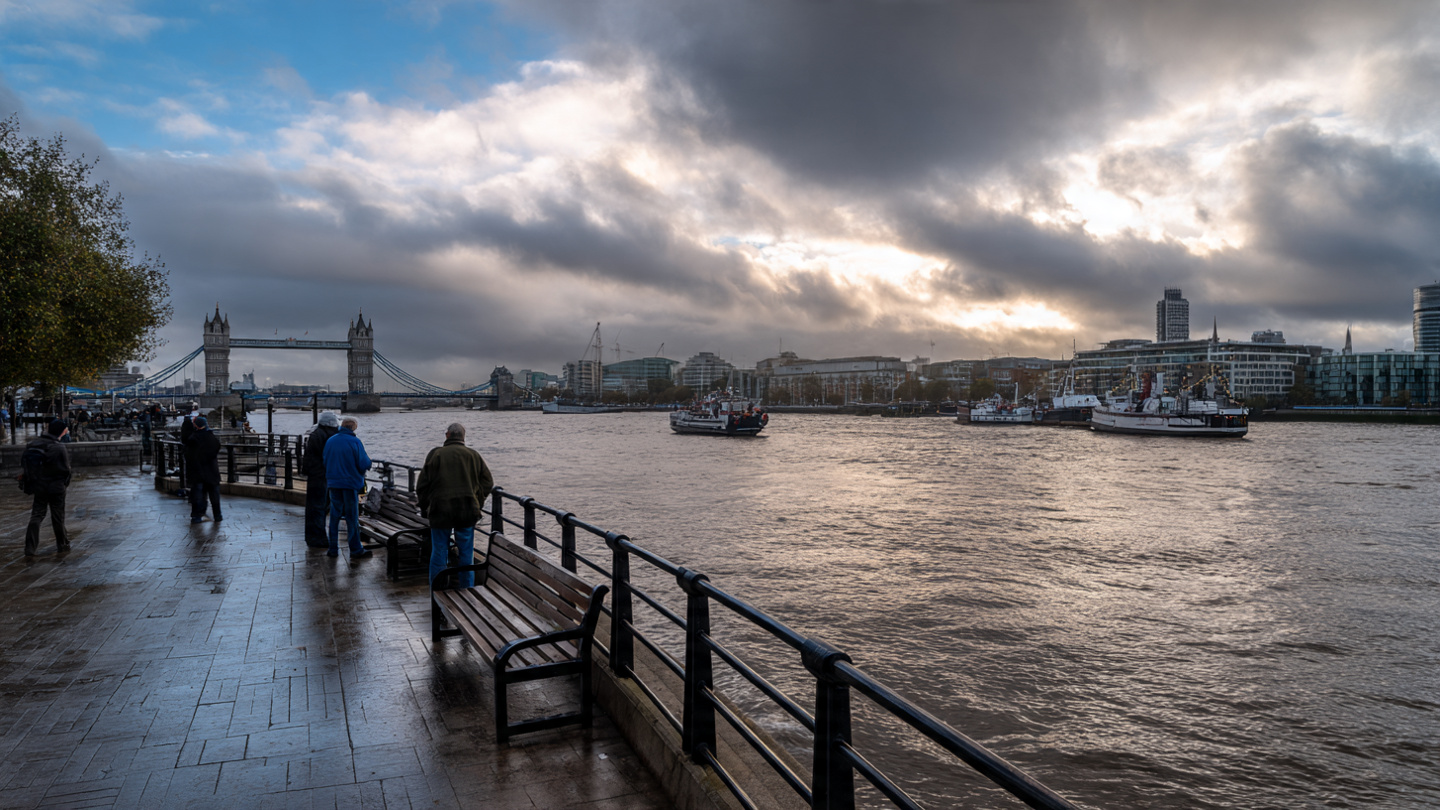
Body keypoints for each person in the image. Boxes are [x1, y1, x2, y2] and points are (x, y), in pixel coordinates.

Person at [416, 422, 494, 588]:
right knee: (466, 552)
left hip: (440, 510)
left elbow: (422, 486)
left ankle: (438, 590)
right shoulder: (473, 455)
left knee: (439, 551)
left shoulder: (435, 454)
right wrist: (477, 501)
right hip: (467, 510)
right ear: (463, 437)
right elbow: (488, 482)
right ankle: (467, 590)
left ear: (447, 435)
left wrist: (426, 507)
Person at [322, 416, 372, 559]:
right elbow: (364, 463)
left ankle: (332, 549)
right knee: (351, 517)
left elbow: (325, 460)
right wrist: (369, 463)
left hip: (333, 483)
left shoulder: (330, 441)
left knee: (334, 516)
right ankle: (356, 549)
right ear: (353, 427)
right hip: (350, 484)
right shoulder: (355, 442)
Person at [24, 419, 72, 556]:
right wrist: (63, 484)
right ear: (62, 431)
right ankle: (62, 544)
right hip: (56, 487)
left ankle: (30, 547)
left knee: (37, 515)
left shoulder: (33, 444)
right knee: (57, 517)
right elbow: (66, 470)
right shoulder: (59, 447)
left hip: (39, 485)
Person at [301, 412, 341, 548]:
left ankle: (314, 537)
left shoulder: (316, 434)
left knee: (315, 507)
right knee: (319, 507)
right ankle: (318, 539)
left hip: (315, 475)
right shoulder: (328, 436)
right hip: (322, 475)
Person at [185, 415, 222, 523]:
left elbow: (188, 455)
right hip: (212, 470)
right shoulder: (212, 438)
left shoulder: (193, 439)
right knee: (214, 495)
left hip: (198, 471)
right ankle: (217, 515)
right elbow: (216, 449)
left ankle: (197, 516)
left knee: (198, 495)